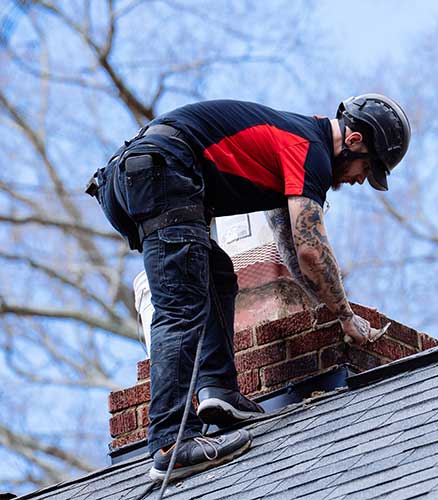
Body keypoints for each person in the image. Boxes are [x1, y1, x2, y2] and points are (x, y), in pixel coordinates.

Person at [88, 94, 411, 482]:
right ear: (354, 140)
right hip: (161, 171)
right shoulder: (312, 150)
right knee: (182, 306)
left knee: (216, 274)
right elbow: (313, 248)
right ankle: (172, 442)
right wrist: (345, 316)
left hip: (139, 178)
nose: (361, 180)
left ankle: (218, 391)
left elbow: (292, 247)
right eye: (368, 168)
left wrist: (322, 313)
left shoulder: (296, 145)